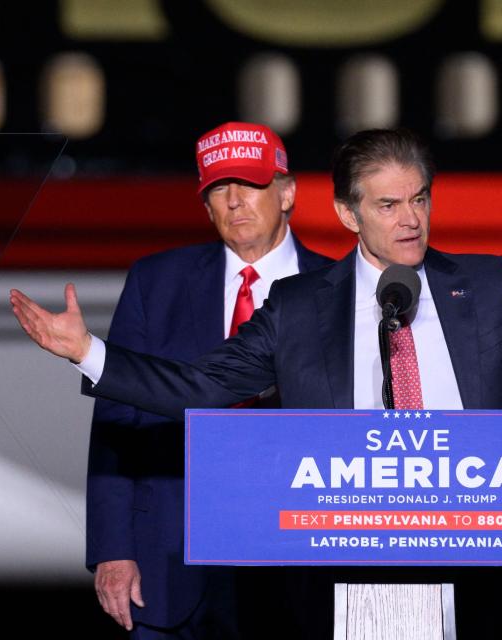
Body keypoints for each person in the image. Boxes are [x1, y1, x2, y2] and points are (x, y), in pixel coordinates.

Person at [11, 128, 502, 636]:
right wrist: (94, 354)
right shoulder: (298, 308)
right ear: (345, 213)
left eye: (421, 200)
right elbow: (198, 385)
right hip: (343, 569)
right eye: (389, 203)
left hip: (490, 563)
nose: (410, 220)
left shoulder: (487, 287)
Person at [86, 121, 332, 639]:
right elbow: (116, 422)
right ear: (205, 207)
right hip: (169, 563)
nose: (235, 200)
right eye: (219, 188)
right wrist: (112, 549)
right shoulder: (156, 282)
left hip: (298, 561)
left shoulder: (341, 288)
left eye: (250, 183)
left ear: (288, 193)